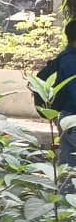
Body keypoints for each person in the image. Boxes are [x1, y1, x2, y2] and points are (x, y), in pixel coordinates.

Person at [37, 20, 76, 171]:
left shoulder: (65, 58)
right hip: (71, 118)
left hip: (65, 117)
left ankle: (66, 193)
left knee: (69, 162)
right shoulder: (71, 61)